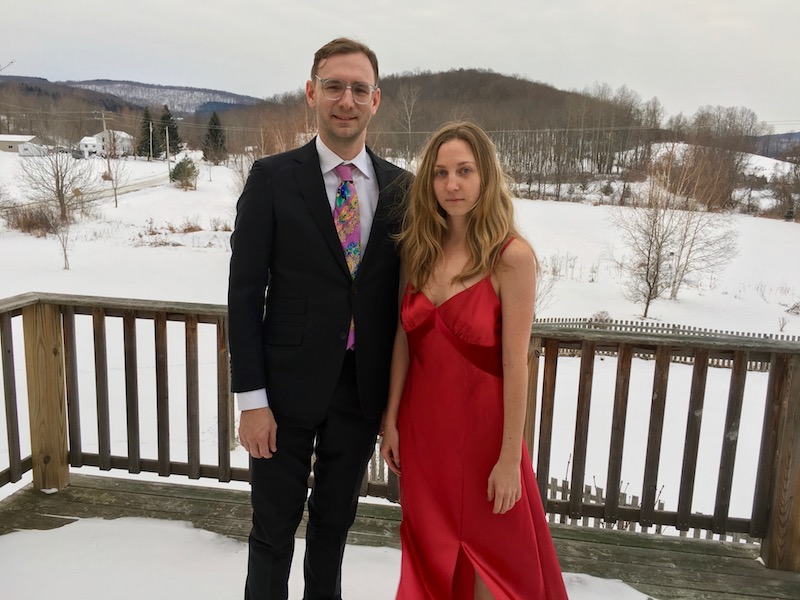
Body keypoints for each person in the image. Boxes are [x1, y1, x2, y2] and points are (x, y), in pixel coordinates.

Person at [228, 38, 409, 600]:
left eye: (359, 89)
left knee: (333, 531)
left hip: (359, 396)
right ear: (312, 93)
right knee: (273, 533)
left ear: (376, 100)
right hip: (282, 397)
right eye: (334, 86)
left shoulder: (402, 189)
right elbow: (243, 295)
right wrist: (252, 402)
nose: (346, 100)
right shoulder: (273, 179)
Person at [380, 121, 568, 599]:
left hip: (486, 438)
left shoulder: (512, 258)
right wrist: (392, 421)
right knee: (430, 552)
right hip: (424, 434)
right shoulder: (417, 249)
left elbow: (517, 365)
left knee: (494, 563)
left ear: (486, 176)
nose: (452, 184)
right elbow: (404, 341)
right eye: (441, 173)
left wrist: (510, 458)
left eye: (464, 170)